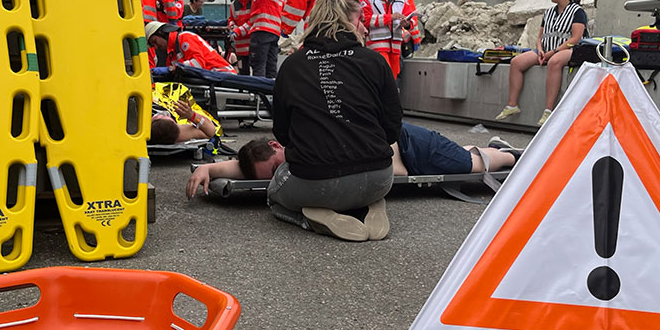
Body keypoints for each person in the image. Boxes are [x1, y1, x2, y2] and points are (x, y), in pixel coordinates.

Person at [251, 0, 401, 241]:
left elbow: (283, 134)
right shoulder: (375, 61)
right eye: (361, 20)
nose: (365, 28)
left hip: (317, 182)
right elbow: (393, 127)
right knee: (360, 186)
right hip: (380, 177)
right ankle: (368, 206)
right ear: (348, 22)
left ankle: (311, 220)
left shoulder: (292, 65)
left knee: (274, 195)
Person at [186, 125, 522, 196]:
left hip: (407, 144)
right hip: (402, 151)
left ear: (276, 145)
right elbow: (247, 167)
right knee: (457, 157)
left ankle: (513, 154)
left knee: (469, 166)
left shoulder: (307, 140)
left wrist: (395, 168)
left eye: (276, 168)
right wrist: (208, 167)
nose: (280, 173)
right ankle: (480, 149)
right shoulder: (280, 156)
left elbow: (376, 131)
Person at [496, 0, 588, 126]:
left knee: (554, 62)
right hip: (546, 49)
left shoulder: (577, 12)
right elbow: (540, 37)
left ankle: (548, 110)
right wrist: (540, 50)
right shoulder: (549, 12)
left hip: (570, 49)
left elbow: (575, 38)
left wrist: (553, 52)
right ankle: (512, 105)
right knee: (517, 62)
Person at [360, 0, 419, 78]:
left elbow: (412, 18)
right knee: (381, 80)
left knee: (392, 81)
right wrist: (390, 17)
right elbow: (365, 20)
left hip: (396, 49)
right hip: (376, 49)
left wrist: (407, 23)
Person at [232, 0, 284, 78]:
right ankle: (271, 90)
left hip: (261, 31)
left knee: (258, 67)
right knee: (271, 68)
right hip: (272, 32)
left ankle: (258, 91)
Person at [145, 22, 236, 73]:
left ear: (161, 33)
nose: (156, 47)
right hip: (213, 78)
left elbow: (198, 63)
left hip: (223, 75)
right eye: (153, 46)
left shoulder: (185, 37)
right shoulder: (172, 53)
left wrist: (171, 69)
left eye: (155, 41)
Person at [228, 0, 253, 74]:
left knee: (255, 73)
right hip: (240, 49)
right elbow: (231, 20)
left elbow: (253, 21)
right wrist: (232, 27)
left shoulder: (254, 2)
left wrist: (238, 31)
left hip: (253, 45)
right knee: (243, 73)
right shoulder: (233, 5)